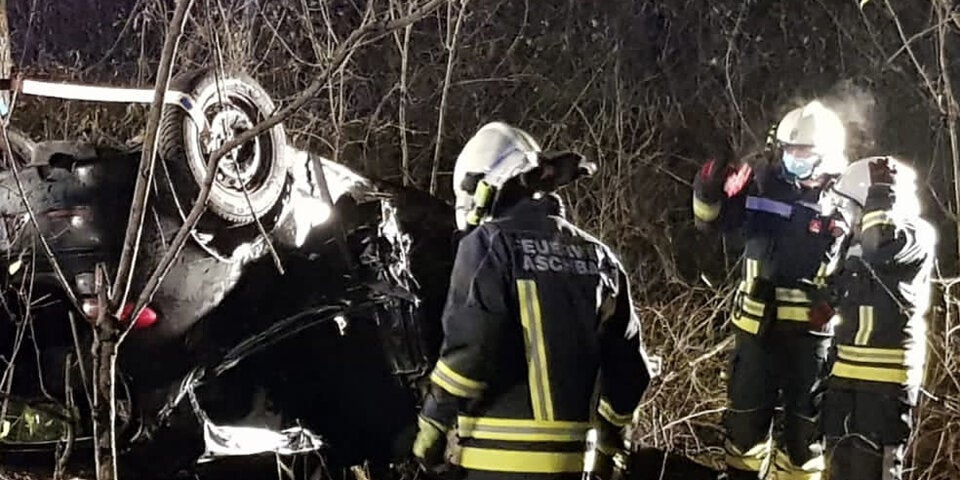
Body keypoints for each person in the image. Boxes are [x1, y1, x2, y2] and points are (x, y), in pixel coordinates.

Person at [411, 121, 653, 480]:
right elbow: (630, 369)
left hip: (495, 464)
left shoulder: (488, 244)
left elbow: (471, 350)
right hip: (575, 467)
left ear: (485, 188)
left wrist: (433, 419)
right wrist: (612, 438)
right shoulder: (600, 258)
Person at [692, 101, 850, 480]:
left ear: (826, 152)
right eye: (789, 149)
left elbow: (855, 270)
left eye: (803, 151)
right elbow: (709, 223)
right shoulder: (762, 184)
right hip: (756, 333)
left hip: (813, 341)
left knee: (804, 440)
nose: (793, 157)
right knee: (745, 429)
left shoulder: (845, 201)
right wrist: (710, 188)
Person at [819, 156, 936, 480]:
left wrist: (881, 192)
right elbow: (846, 283)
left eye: (852, 206)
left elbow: (881, 245)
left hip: (885, 383)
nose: (847, 216)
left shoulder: (915, 235)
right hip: (846, 375)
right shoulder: (858, 242)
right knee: (839, 466)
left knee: (874, 470)